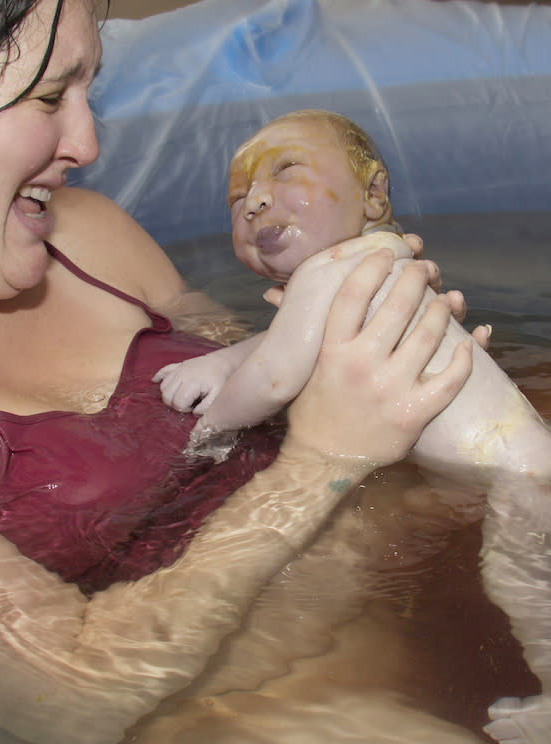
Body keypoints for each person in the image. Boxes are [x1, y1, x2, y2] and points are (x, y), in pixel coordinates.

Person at [0, 1, 512, 744]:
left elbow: (267, 386)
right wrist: (328, 455)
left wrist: (395, 361)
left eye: (89, 92)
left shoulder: (90, 238)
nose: (87, 143)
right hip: (262, 731)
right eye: (51, 96)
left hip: (413, 612)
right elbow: (75, 701)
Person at [155, 109, 551, 482]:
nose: (255, 203)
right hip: (516, 453)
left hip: (504, 472)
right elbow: (306, 343)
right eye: (238, 200)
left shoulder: (324, 271)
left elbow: (275, 378)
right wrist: (224, 363)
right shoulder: (388, 255)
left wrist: (211, 428)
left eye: (286, 171)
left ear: (374, 193)